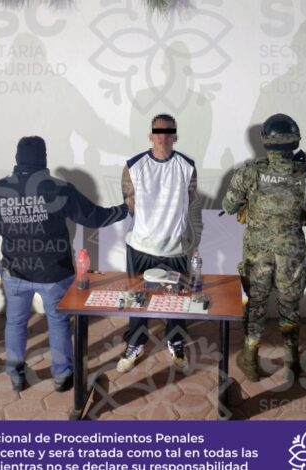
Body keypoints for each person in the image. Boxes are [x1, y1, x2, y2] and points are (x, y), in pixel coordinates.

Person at [0, 136, 128, 392]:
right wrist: (125, 209)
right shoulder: (58, 188)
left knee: (15, 322)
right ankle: (62, 376)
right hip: (54, 272)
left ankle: (15, 375)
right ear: (43, 158)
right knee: (59, 322)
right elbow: (94, 217)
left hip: (15, 271)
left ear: (18, 158)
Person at [222, 114, 306, 382]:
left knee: (256, 305)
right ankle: (291, 360)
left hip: (256, 252)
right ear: (295, 141)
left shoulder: (249, 172)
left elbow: (228, 207)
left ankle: (250, 359)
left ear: (265, 142)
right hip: (291, 251)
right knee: (289, 304)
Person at [116, 113, 198, 373]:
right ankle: (136, 342)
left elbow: (190, 198)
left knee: (177, 299)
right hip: (141, 246)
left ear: (176, 136)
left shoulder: (187, 166)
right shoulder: (134, 166)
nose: (163, 136)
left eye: (168, 132)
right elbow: (130, 204)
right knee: (137, 298)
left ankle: (176, 341)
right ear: (150, 135)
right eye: (158, 131)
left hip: (174, 247)